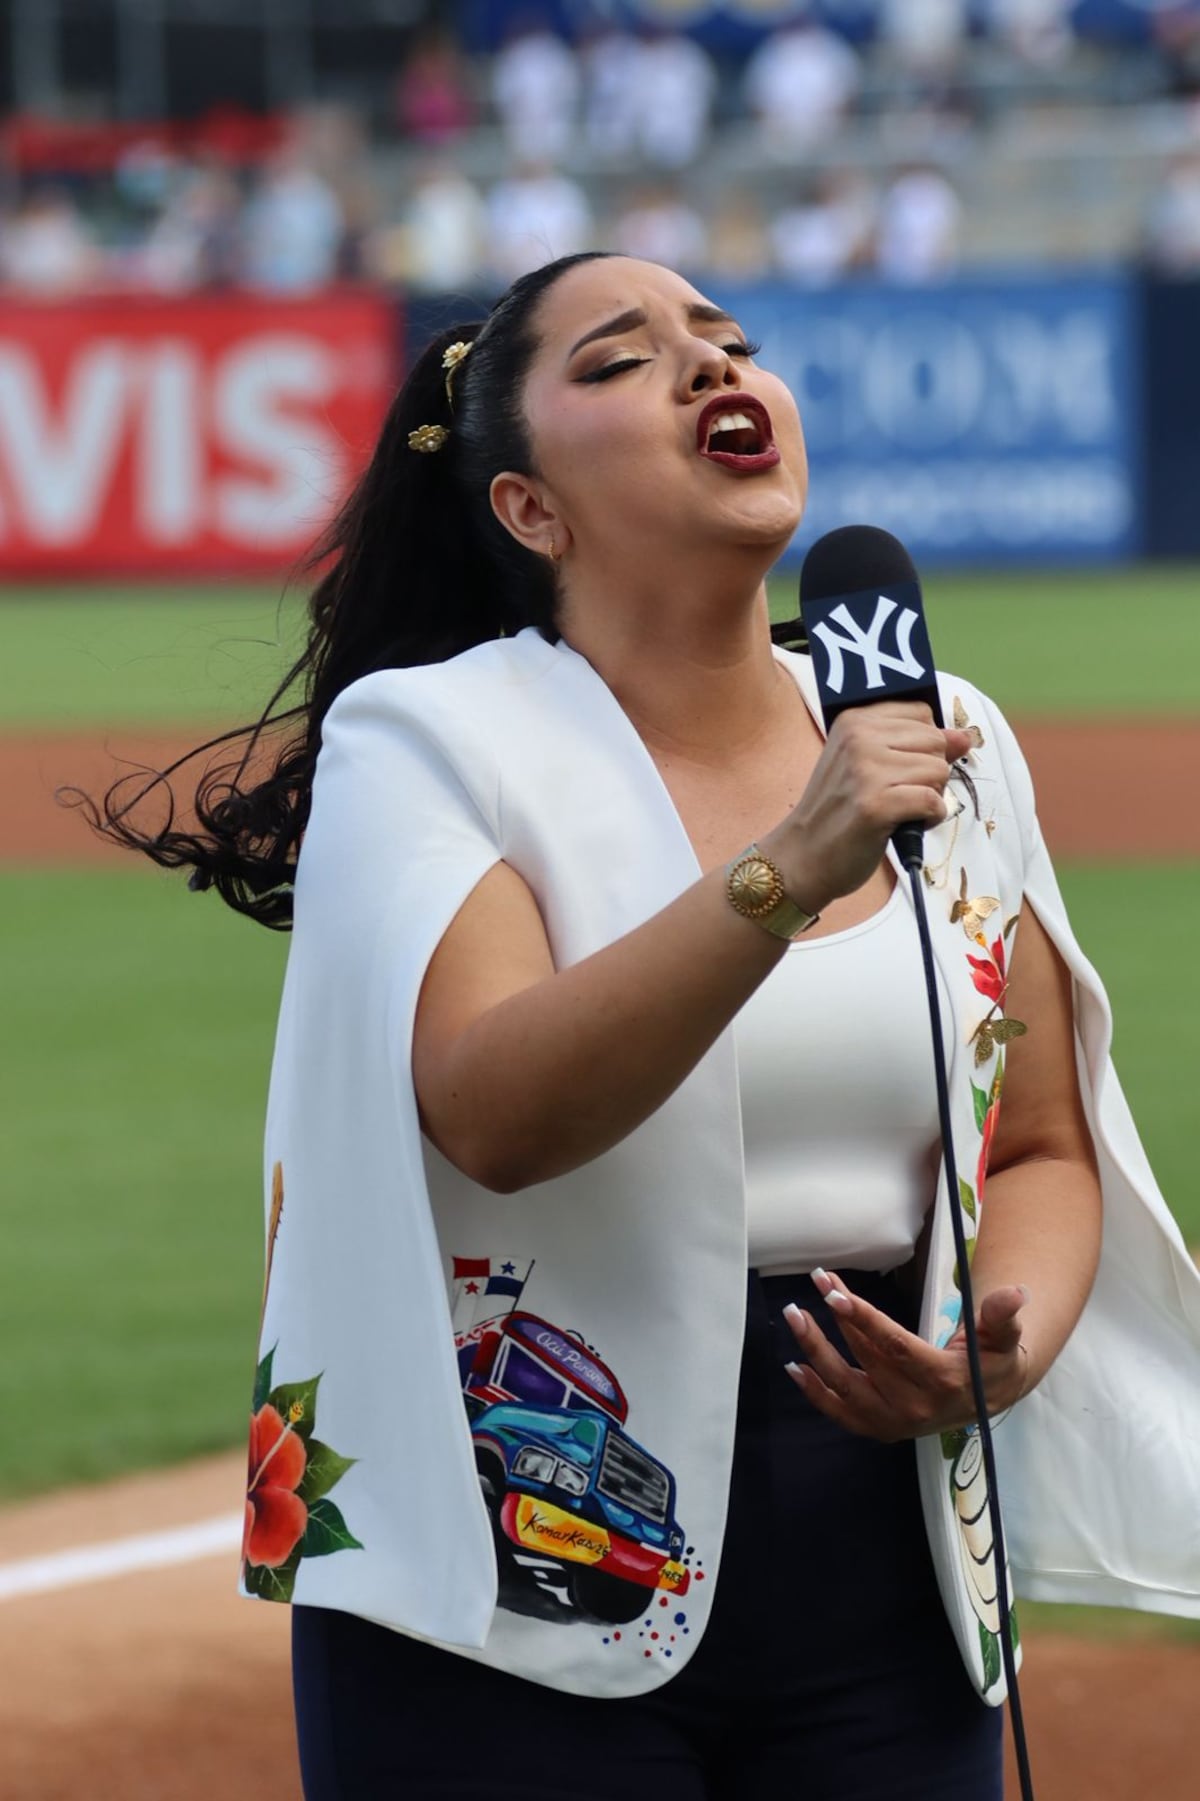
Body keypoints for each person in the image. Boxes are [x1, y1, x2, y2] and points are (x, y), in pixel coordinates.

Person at [91, 253, 1200, 1798]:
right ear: (529, 508)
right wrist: (783, 871)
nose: (706, 367)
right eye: (620, 361)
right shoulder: (432, 736)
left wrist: (989, 1347)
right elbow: (497, 1107)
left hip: (892, 1551)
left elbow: (1036, 1141)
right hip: (508, 1563)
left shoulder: (945, 735)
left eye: (730, 340)